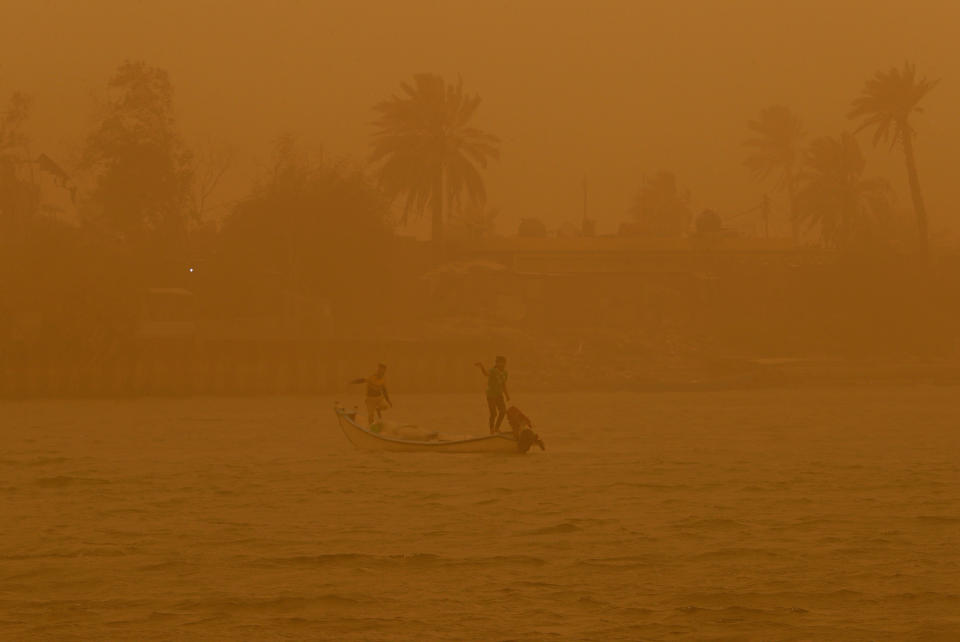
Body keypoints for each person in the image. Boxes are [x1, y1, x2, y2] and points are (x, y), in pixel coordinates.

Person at [475, 356, 510, 434]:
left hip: (499, 395)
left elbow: (503, 384)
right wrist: (482, 366)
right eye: (498, 362)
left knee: (503, 411)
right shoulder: (493, 371)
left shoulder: (505, 373)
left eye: (502, 362)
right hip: (491, 395)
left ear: (504, 363)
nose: (500, 364)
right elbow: (486, 374)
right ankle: (491, 429)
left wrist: (507, 395)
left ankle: (497, 428)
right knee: (493, 413)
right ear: (496, 363)